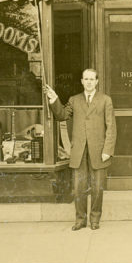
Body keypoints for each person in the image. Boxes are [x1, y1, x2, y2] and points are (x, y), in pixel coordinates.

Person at [43, 68, 116, 231]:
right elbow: (61, 115)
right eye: (86, 79)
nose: (89, 82)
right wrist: (54, 99)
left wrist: (107, 150)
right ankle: (80, 220)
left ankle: (95, 220)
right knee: (79, 187)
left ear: (97, 81)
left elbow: (111, 127)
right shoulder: (74, 100)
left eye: (92, 79)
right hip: (79, 151)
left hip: (99, 151)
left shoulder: (105, 100)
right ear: (82, 81)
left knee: (97, 188)